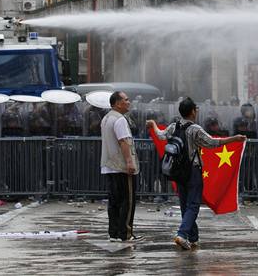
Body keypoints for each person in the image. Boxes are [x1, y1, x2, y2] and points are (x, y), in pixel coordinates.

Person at [147, 97, 246, 250]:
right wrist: (234, 139)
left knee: (185, 205)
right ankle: (182, 234)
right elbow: (212, 143)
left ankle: (193, 238)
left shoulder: (173, 127)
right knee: (193, 205)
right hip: (193, 171)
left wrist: (153, 124)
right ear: (193, 111)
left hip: (177, 171)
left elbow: (160, 135)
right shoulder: (195, 129)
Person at [100, 91, 143, 242]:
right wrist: (129, 162)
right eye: (126, 99)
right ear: (117, 103)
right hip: (121, 166)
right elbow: (124, 141)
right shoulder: (120, 120)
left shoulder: (106, 118)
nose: (129, 102)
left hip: (108, 165)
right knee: (127, 200)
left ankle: (114, 233)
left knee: (114, 201)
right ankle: (125, 233)